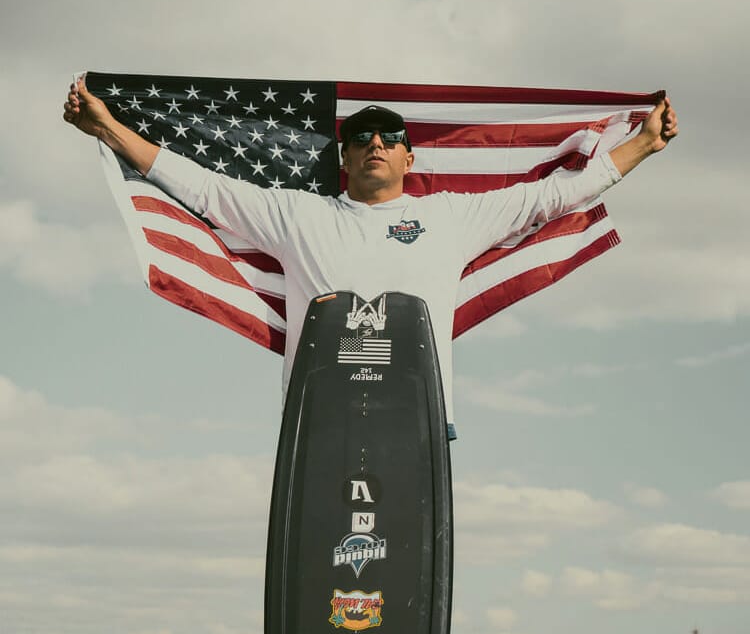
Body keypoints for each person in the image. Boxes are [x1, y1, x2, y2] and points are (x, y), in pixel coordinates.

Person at [64, 78, 678, 437]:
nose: (376, 145)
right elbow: (203, 187)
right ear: (345, 159)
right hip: (319, 422)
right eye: (361, 139)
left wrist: (645, 145)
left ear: (410, 159)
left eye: (390, 139)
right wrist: (107, 128)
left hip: (416, 422)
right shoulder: (299, 216)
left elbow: (556, 194)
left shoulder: (450, 218)